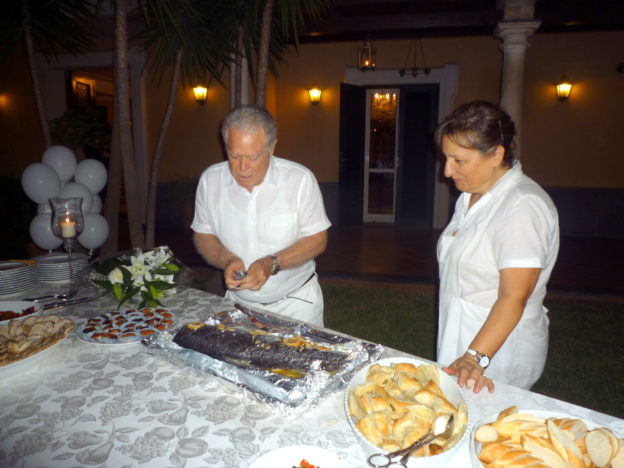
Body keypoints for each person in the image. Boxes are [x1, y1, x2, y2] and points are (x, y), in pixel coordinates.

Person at [435, 100, 559, 393]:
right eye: (446, 159)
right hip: (461, 335)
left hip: (497, 353)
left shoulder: (522, 206)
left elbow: (514, 296)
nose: (447, 171)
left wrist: (475, 358)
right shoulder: (471, 197)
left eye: (458, 161)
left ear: (496, 155)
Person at [191, 105, 331, 327]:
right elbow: (204, 234)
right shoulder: (210, 181)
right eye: (234, 155)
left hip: (296, 304)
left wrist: (271, 264)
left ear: (272, 147)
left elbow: (317, 240)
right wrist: (227, 258)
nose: (243, 167)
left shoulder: (300, 180)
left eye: (253, 157)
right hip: (238, 304)